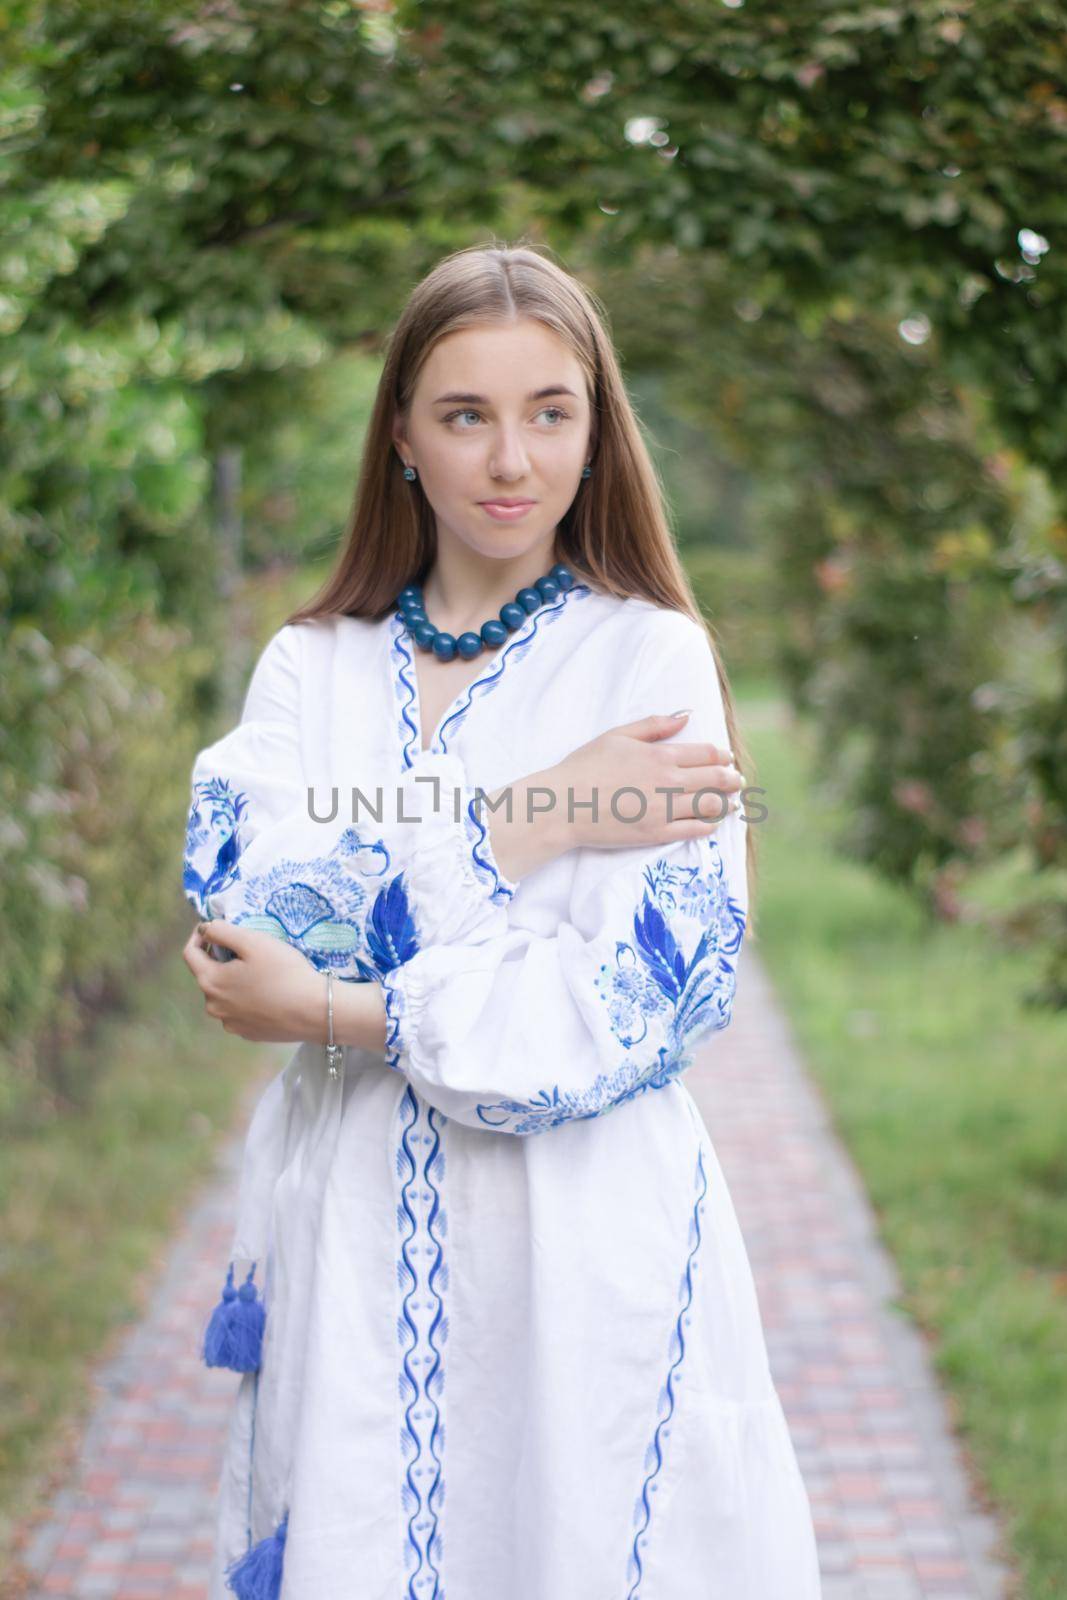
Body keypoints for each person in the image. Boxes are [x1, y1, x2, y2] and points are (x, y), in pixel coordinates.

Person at [181, 241, 823, 1599]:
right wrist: (527, 819)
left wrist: (340, 1010)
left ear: (597, 434)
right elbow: (252, 908)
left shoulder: (647, 657)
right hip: (348, 1235)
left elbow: (643, 1000)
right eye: (465, 414)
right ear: (403, 437)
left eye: (551, 411)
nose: (510, 459)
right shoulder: (311, 667)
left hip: (584, 1236)